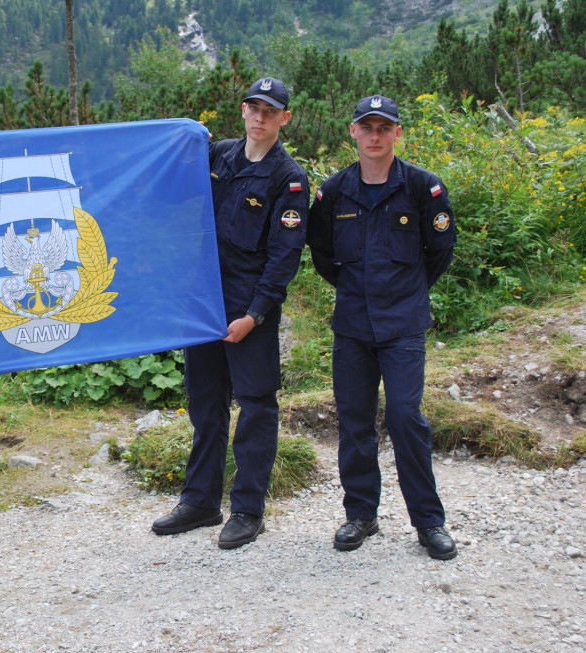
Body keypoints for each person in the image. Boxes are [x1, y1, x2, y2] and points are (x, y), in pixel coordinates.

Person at [152, 78, 309, 549]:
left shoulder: (289, 178)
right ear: (243, 111)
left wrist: (255, 315)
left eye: (270, 110)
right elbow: (167, 184)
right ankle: (200, 501)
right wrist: (181, 138)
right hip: (202, 303)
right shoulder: (217, 155)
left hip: (247, 311)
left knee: (257, 406)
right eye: (253, 107)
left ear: (285, 118)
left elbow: (284, 258)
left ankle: (247, 509)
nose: (260, 117)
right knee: (205, 404)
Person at [306, 96, 458, 560]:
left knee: (405, 417)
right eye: (366, 126)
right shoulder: (332, 193)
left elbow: (440, 251)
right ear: (353, 132)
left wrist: (404, 290)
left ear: (397, 133)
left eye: (383, 127)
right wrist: (361, 290)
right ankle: (361, 515)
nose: (375, 135)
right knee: (354, 421)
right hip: (352, 326)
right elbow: (322, 255)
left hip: (402, 325)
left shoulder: (422, 188)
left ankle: (429, 522)